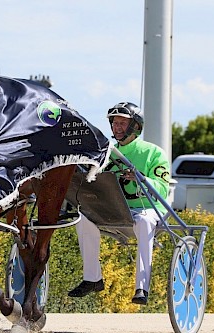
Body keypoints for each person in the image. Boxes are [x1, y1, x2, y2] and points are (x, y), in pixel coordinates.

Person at [68, 102, 171, 305]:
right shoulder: (107, 154)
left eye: (122, 123)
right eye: (114, 123)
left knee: (143, 221)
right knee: (83, 219)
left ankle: (142, 287)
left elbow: (163, 189)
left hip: (149, 210)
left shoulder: (153, 153)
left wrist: (140, 177)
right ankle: (92, 278)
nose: (117, 127)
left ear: (135, 126)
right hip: (117, 210)